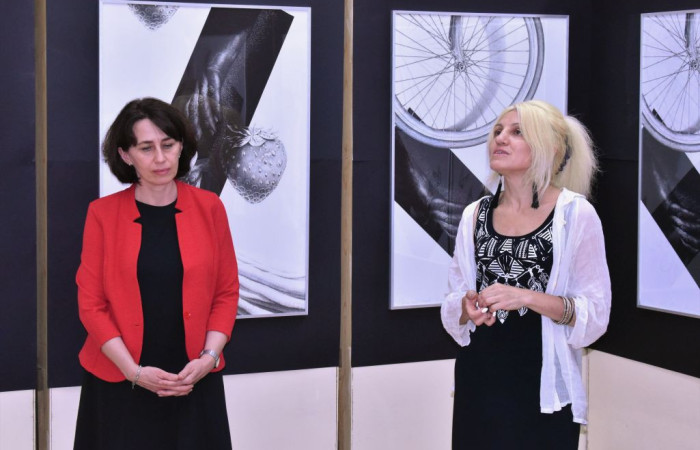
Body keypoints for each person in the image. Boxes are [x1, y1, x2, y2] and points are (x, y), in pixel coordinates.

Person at [440, 100, 611, 449]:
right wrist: (466, 307)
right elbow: (453, 300)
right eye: (498, 131)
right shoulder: (474, 214)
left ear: (550, 148)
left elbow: (595, 314)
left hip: (544, 392)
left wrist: (528, 297)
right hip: (479, 382)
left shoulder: (575, 215)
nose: (500, 138)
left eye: (517, 132)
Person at [74, 97, 239, 450]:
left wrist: (208, 359)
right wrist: (133, 372)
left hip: (193, 378)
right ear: (126, 155)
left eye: (168, 144)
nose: (161, 158)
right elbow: (91, 305)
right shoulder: (102, 214)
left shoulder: (210, 207)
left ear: (182, 146)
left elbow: (226, 293)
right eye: (146, 148)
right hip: (120, 380)